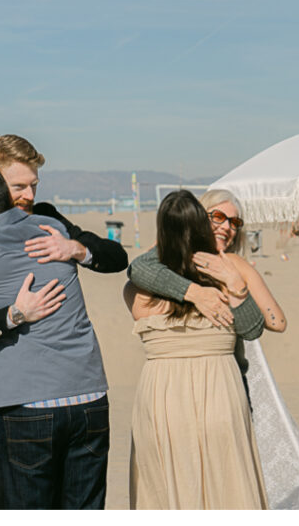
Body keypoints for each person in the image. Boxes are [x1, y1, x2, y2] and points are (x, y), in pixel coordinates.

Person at [0, 134, 127, 510]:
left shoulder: (49, 219)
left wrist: (78, 249)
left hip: (56, 408)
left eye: (33, 185)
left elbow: (116, 257)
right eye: (17, 186)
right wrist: (12, 316)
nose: (27, 195)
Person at [128, 189, 299, 509]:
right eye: (218, 217)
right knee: (225, 487)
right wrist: (195, 291)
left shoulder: (227, 267)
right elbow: (140, 268)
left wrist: (235, 285)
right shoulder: (157, 273)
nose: (228, 227)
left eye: (234, 221)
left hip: (180, 392)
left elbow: (264, 324)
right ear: (196, 219)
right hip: (206, 391)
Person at [124, 189, 268, 509]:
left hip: (163, 397)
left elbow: (140, 268)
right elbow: (254, 327)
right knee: (226, 487)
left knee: (167, 488)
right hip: (219, 391)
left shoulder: (137, 292)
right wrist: (230, 285)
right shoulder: (219, 281)